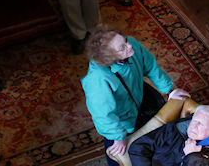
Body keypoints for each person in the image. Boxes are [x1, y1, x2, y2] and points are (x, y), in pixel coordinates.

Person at [81, 27, 190, 166]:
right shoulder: (96, 80)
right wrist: (118, 137)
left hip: (142, 95)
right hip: (123, 119)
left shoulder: (131, 44)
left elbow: (151, 67)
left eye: (125, 40)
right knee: (119, 155)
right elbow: (103, 114)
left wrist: (170, 90)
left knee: (163, 137)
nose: (129, 45)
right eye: (122, 47)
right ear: (109, 58)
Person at [128, 105, 209, 166]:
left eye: (201, 124)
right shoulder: (179, 127)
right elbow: (138, 147)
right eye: (194, 121)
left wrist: (192, 156)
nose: (193, 126)